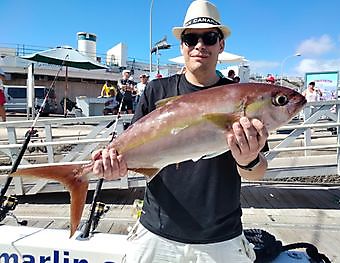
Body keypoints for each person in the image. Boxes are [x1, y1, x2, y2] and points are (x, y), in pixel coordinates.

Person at [92, 0, 269, 262]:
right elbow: (131, 152)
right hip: (156, 232)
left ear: (221, 44)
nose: (200, 45)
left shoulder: (240, 97)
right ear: (182, 44)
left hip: (220, 239)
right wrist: (113, 164)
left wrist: (248, 159)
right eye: (191, 38)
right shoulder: (156, 91)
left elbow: (257, 173)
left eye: (209, 37)